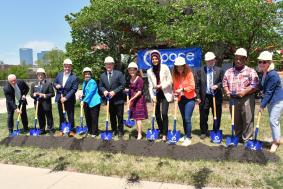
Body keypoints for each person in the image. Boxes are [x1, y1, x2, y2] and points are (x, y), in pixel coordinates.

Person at [223, 48, 259, 142]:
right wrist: (227, 91)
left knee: (247, 119)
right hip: (233, 99)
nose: (238, 61)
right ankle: (237, 137)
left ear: (245, 59)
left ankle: (247, 139)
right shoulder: (229, 71)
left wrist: (244, 92)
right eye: (236, 58)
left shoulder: (251, 71)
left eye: (241, 58)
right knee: (236, 119)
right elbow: (224, 83)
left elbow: (255, 85)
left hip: (247, 98)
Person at [257, 51, 283, 153]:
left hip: (277, 101)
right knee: (274, 120)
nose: (261, 64)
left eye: (264, 62)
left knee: (273, 120)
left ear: (269, 62)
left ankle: (275, 143)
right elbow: (263, 87)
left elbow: (269, 92)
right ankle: (276, 138)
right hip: (271, 100)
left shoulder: (273, 75)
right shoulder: (264, 72)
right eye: (260, 62)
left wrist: (262, 105)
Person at [195, 52, 224, 139]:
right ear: (205, 61)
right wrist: (198, 97)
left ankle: (216, 130)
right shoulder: (200, 71)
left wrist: (217, 86)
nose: (210, 62)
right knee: (203, 114)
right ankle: (204, 131)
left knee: (217, 114)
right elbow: (197, 85)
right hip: (205, 97)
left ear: (214, 60)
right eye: (208, 61)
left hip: (216, 96)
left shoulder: (220, 70)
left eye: (212, 60)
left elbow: (223, 82)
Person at [147, 50, 173, 142]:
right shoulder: (149, 71)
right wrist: (152, 96)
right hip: (156, 94)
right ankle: (162, 130)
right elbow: (150, 86)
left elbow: (170, 81)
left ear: (159, 58)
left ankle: (165, 135)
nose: (154, 60)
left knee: (164, 113)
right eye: (153, 59)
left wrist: (162, 85)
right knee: (157, 114)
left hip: (165, 92)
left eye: (156, 58)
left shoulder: (165, 67)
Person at [99, 56, 126, 138]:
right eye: (107, 64)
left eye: (110, 64)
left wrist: (114, 91)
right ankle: (114, 130)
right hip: (109, 100)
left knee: (120, 116)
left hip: (119, 99)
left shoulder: (119, 74)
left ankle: (120, 131)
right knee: (112, 116)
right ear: (105, 65)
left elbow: (123, 85)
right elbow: (100, 86)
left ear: (113, 65)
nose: (109, 66)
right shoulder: (102, 75)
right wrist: (104, 91)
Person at [172, 57, 196, 146]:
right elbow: (175, 87)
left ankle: (189, 138)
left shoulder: (189, 73)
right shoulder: (175, 74)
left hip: (190, 98)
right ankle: (186, 135)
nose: (179, 68)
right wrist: (175, 93)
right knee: (183, 118)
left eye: (181, 66)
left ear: (184, 66)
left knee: (187, 118)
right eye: (177, 67)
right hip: (180, 99)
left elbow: (192, 86)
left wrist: (182, 89)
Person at [54, 58, 79, 136]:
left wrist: (66, 97)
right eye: (66, 66)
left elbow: (74, 89)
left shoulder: (74, 77)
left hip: (69, 100)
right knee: (61, 114)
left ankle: (71, 130)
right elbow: (54, 82)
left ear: (71, 67)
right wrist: (56, 85)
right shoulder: (59, 74)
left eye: (69, 66)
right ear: (63, 66)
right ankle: (62, 129)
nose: (67, 68)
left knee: (70, 115)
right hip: (60, 99)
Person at [126, 62, 148, 140]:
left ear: (136, 70)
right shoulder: (130, 79)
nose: (132, 72)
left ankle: (139, 134)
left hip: (138, 100)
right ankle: (138, 132)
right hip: (133, 99)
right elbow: (130, 89)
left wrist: (131, 100)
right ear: (128, 71)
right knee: (134, 117)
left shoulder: (139, 79)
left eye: (133, 70)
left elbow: (139, 92)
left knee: (138, 118)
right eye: (130, 70)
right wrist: (127, 90)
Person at [30, 68, 55, 134]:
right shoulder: (33, 84)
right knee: (40, 117)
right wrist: (34, 95)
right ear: (37, 76)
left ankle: (50, 129)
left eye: (42, 75)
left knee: (49, 117)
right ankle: (42, 129)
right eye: (39, 75)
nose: (40, 76)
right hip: (38, 104)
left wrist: (44, 95)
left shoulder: (49, 84)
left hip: (46, 104)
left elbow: (52, 94)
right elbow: (31, 94)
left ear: (44, 75)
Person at [79, 67, 102, 137]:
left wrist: (84, 100)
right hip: (87, 102)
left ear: (90, 75)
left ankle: (94, 132)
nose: (87, 75)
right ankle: (90, 130)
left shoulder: (93, 82)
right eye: (85, 74)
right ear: (84, 75)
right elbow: (85, 92)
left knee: (94, 118)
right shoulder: (84, 82)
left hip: (94, 102)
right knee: (87, 117)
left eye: (88, 74)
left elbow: (91, 93)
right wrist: (81, 96)